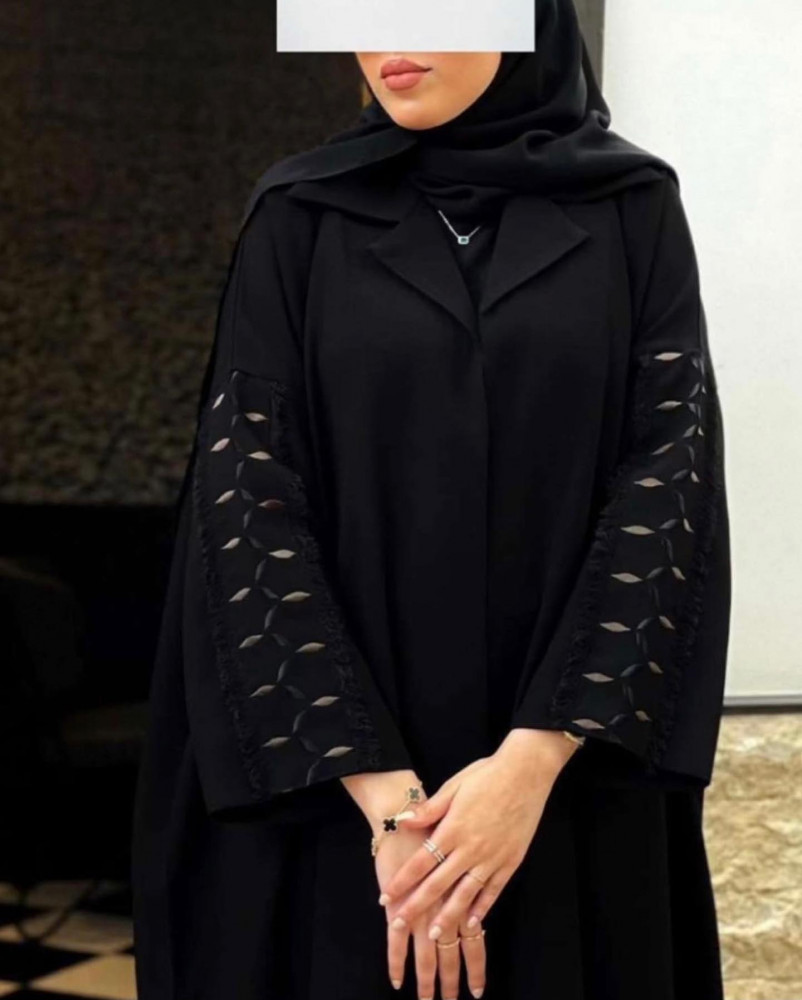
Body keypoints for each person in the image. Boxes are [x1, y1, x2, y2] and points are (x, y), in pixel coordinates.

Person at [131, 2, 732, 998]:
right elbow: (245, 503)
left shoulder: (632, 207)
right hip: (334, 795)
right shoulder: (299, 214)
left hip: (567, 787)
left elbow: (669, 484)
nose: (385, 37)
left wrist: (527, 769)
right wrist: (394, 809)